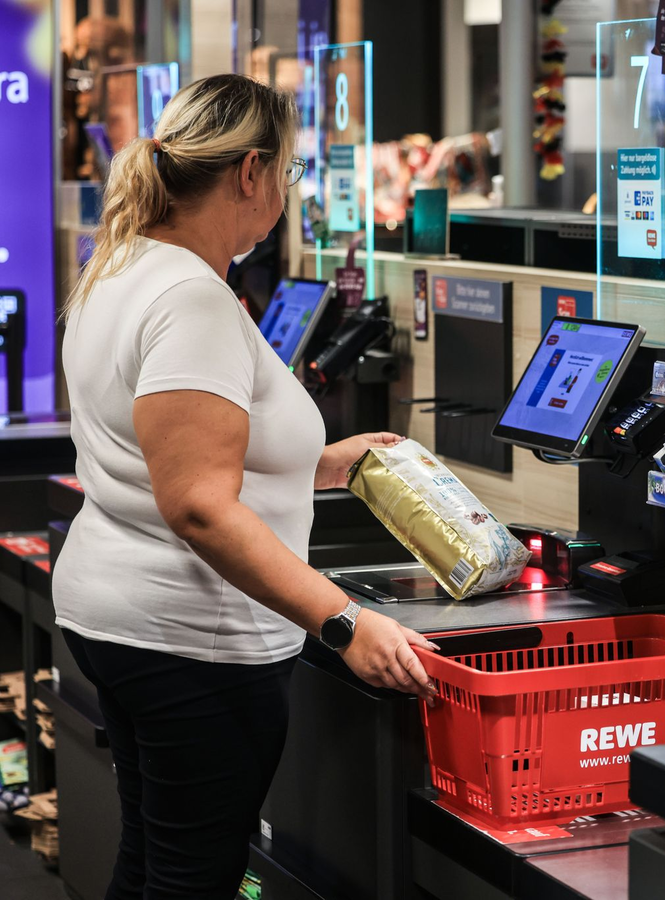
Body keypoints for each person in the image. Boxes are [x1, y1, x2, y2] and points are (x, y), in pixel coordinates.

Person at [54, 73, 437, 899]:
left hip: (118, 614)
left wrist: (321, 462)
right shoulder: (191, 297)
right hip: (190, 637)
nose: (287, 195)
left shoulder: (124, 265)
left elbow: (162, 445)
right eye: (289, 172)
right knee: (193, 878)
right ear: (251, 172)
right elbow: (197, 503)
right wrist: (344, 621)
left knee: (152, 860)